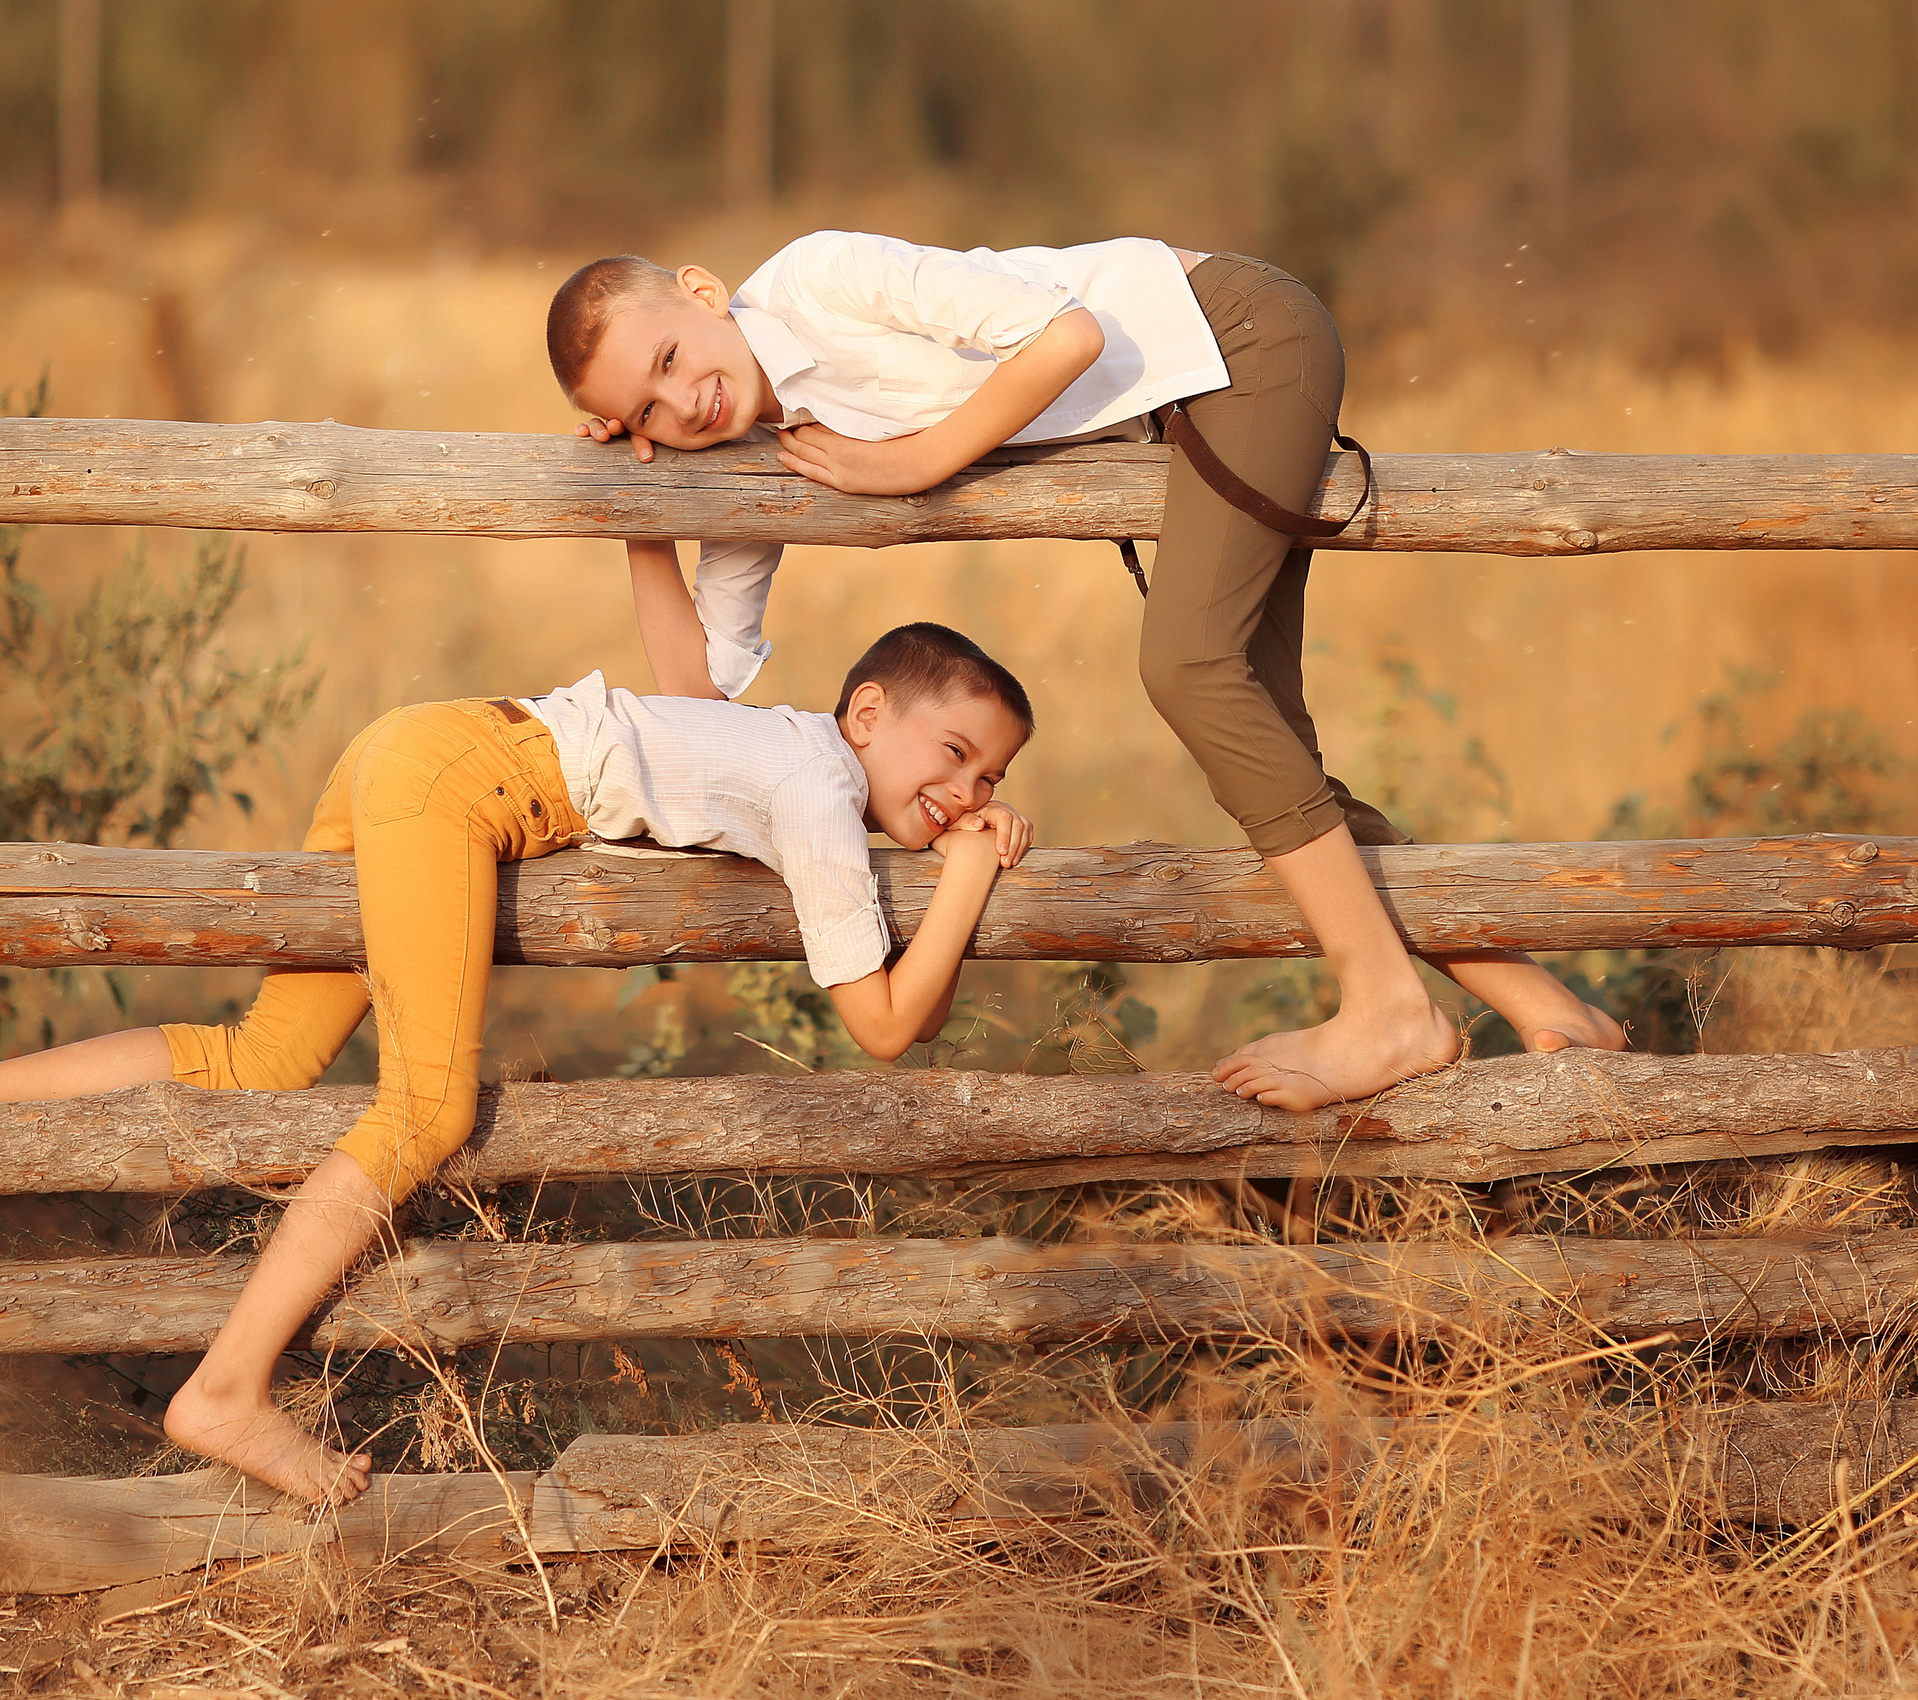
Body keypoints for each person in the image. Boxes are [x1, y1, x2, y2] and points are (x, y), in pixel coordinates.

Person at [0, 621, 1036, 1505]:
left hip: (426, 745)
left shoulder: (792, 754)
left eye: (989, 779)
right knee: (424, 1110)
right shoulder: (818, 782)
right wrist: (973, 879)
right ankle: (223, 1391)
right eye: (954, 751)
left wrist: (961, 860)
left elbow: (904, 1014)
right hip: (457, 780)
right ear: (869, 713)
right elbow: (884, 1026)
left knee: (268, 1055)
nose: (965, 793)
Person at [545, 232, 1623, 1112]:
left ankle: (1388, 1006)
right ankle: (1548, 1006)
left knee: (1191, 669)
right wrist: (644, 513)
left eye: (671, 360)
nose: (679, 406)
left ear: (703, 293)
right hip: (1190, 404)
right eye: (642, 410)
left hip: (1239, 337)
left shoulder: (821, 277)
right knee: (1268, 756)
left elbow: (1068, 335)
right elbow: (696, 695)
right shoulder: (765, 445)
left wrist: (913, 463)